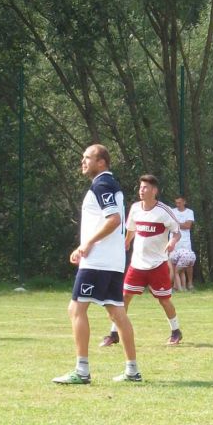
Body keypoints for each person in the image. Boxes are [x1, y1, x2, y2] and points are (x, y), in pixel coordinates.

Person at [53, 144, 140, 384]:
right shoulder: (110, 184)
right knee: (117, 313)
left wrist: (87, 243)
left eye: (87, 158)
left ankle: (82, 371)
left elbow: (114, 219)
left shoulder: (101, 185)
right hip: (112, 261)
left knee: (76, 309)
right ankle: (132, 370)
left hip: (98, 262)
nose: (83, 161)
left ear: (101, 162)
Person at [101, 173, 184, 347]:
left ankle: (176, 331)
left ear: (154, 191)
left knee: (164, 300)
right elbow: (131, 229)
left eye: (145, 187)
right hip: (137, 264)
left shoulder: (163, 211)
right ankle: (114, 334)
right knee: (124, 297)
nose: (141, 190)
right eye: (140, 187)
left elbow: (177, 232)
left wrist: (172, 242)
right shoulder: (135, 208)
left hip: (157, 264)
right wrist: (126, 242)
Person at [169, 194, 196, 292]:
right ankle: (174, 285)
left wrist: (175, 224)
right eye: (176, 203)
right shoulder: (172, 211)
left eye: (179, 203)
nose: (178, 204)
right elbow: (169, 224)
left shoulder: (189, 212)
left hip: (185, 241)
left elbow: (188, 226)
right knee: (173, 262)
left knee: (188, 263)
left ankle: (190, 284)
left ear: (184, 202)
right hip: (174, 240)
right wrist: (180, 224)